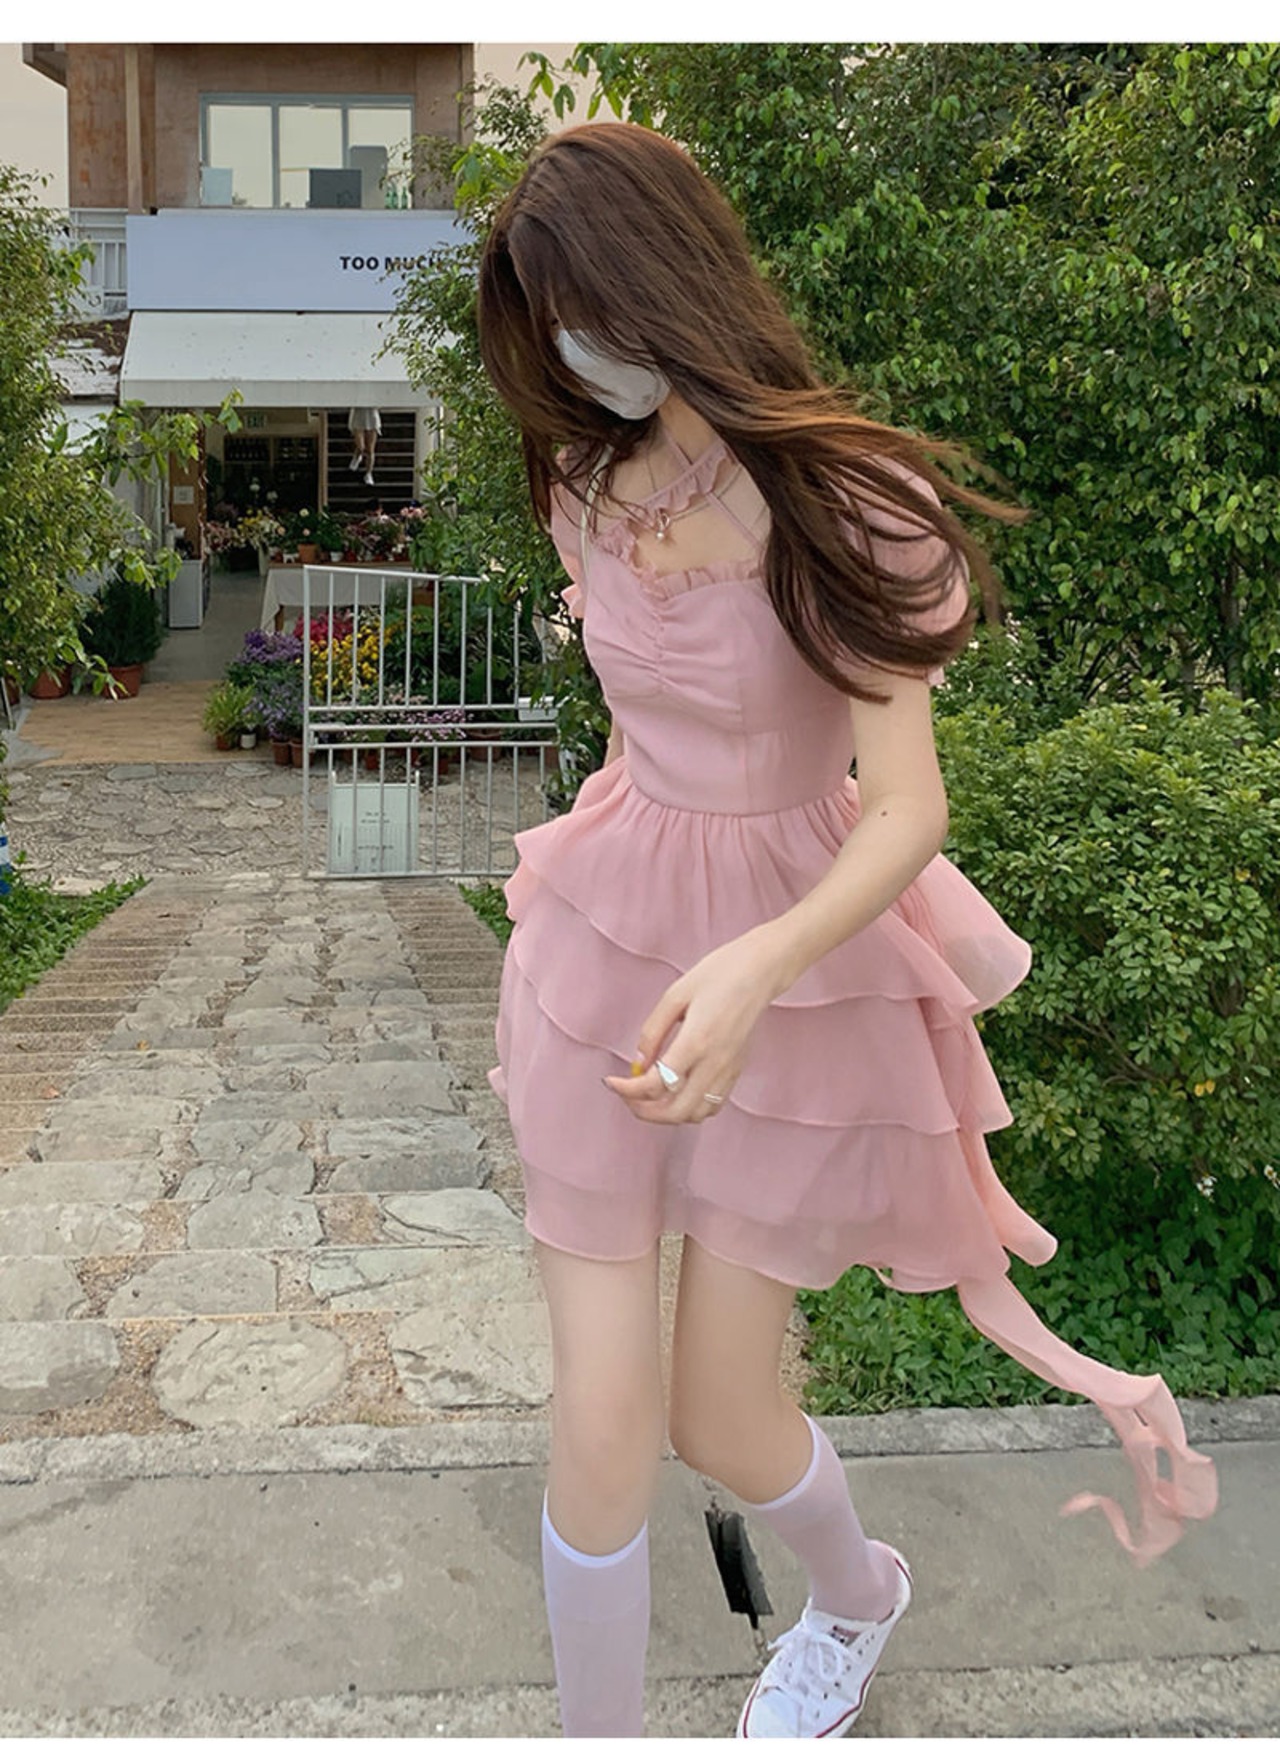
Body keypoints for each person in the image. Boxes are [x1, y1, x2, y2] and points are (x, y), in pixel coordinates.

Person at [475, 122, 1218, 1741]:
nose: (574, 358)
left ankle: (860, 1590)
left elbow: (906, 804)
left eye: (588, 316)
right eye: (547, 330)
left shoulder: (848, 496)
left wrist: (756, 960)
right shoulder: (583, 479)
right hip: (604, 953)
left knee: (720, 1415)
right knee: (599, 1417)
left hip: (795, 977)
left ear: (669, 279)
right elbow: (647, 724)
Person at [348, 406, 381, 486]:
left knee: (370, 449)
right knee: (361, 447)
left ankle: (368, 474)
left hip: (372, 415)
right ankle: (357, 456)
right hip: (358, 414)